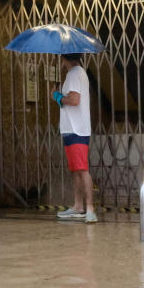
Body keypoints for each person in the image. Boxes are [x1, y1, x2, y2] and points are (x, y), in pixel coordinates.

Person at [51, 53, 97, 223]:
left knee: (82, 169)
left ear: (64, 59)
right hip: (73, 128)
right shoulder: (80, 73)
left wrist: (57, 97)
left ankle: (89, 208)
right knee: (76, 170)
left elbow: (74, 100)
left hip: (76, 129)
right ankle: (78, 206)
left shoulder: (73, 74)